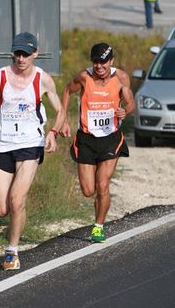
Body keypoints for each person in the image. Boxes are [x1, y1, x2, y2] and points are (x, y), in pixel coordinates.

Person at [0, 31, 64, 270]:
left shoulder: (43, 79)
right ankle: (17, 220)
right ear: (12, 53)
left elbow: (60, 110)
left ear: (35, 53)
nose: (21, 58)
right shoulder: (1, 76)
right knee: (1, 208)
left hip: (30, 144)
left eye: (26, 54)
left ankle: (11, 252)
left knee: (17, 200)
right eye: (18, 53)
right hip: (3, 143)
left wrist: (53, 132)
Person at [60, 42, 135, 243]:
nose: (99, 66)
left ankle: (98, 226)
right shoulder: (84, 77)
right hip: (86, 139)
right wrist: (63, 119)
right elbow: (67, 91)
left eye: (103, 62)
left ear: (111, 61)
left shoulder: (121, 78)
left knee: (102, 185)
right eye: (95, 62)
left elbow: (131, 103)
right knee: (88, 191)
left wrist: (124, 111)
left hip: (111, 138)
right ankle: (99, 207)